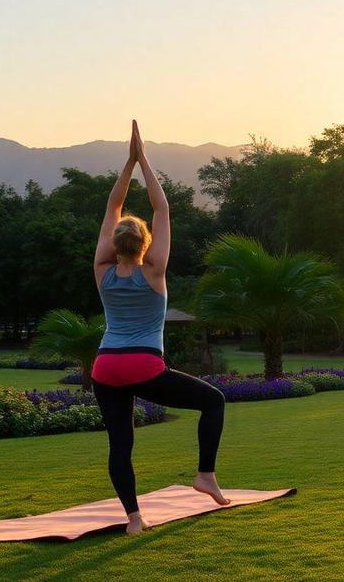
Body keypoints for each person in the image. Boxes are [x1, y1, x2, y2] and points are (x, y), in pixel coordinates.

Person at [91, 120, 228, 535]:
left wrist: (127, 165)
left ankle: (134, 520)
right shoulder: (155, 272)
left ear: (115, 244)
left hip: (104, 367)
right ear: (146, 244)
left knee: (121, 445)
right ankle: (205, 475)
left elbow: (112, 209)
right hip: (143, 365)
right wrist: (144, 159)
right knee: (214, 402)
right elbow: (162, 208)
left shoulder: (102, 270)